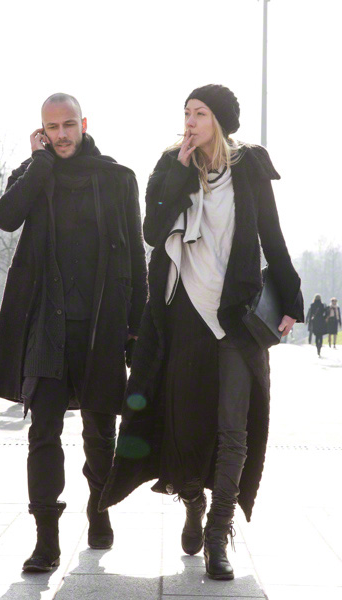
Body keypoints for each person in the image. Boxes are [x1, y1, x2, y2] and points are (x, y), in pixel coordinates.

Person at [100, 84, 304, 581]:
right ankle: (192, 499)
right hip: (184, 315)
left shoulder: (249, 167)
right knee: (186, 424)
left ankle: (217, 533)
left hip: (237, 314)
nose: (190, 121)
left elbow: (272, 234)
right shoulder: (169, 164)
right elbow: (153, 231)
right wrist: (178, 171)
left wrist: (292, 298)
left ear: (221, 121)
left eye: (201, 113)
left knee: (234, 427)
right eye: (187, 112)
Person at [0, 93, 147, 572]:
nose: (61, 134)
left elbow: (136, 258)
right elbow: (5, 218)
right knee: (43, 433)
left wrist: (136, 329)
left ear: (83, 124)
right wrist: (39, 164)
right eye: (51, 127)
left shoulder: (117, 178)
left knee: (100, 433)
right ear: (41, 130)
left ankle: (99, 509)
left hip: (100, 326)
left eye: (68, 124)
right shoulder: (33, 174)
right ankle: (46, 540)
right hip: (46, 327)